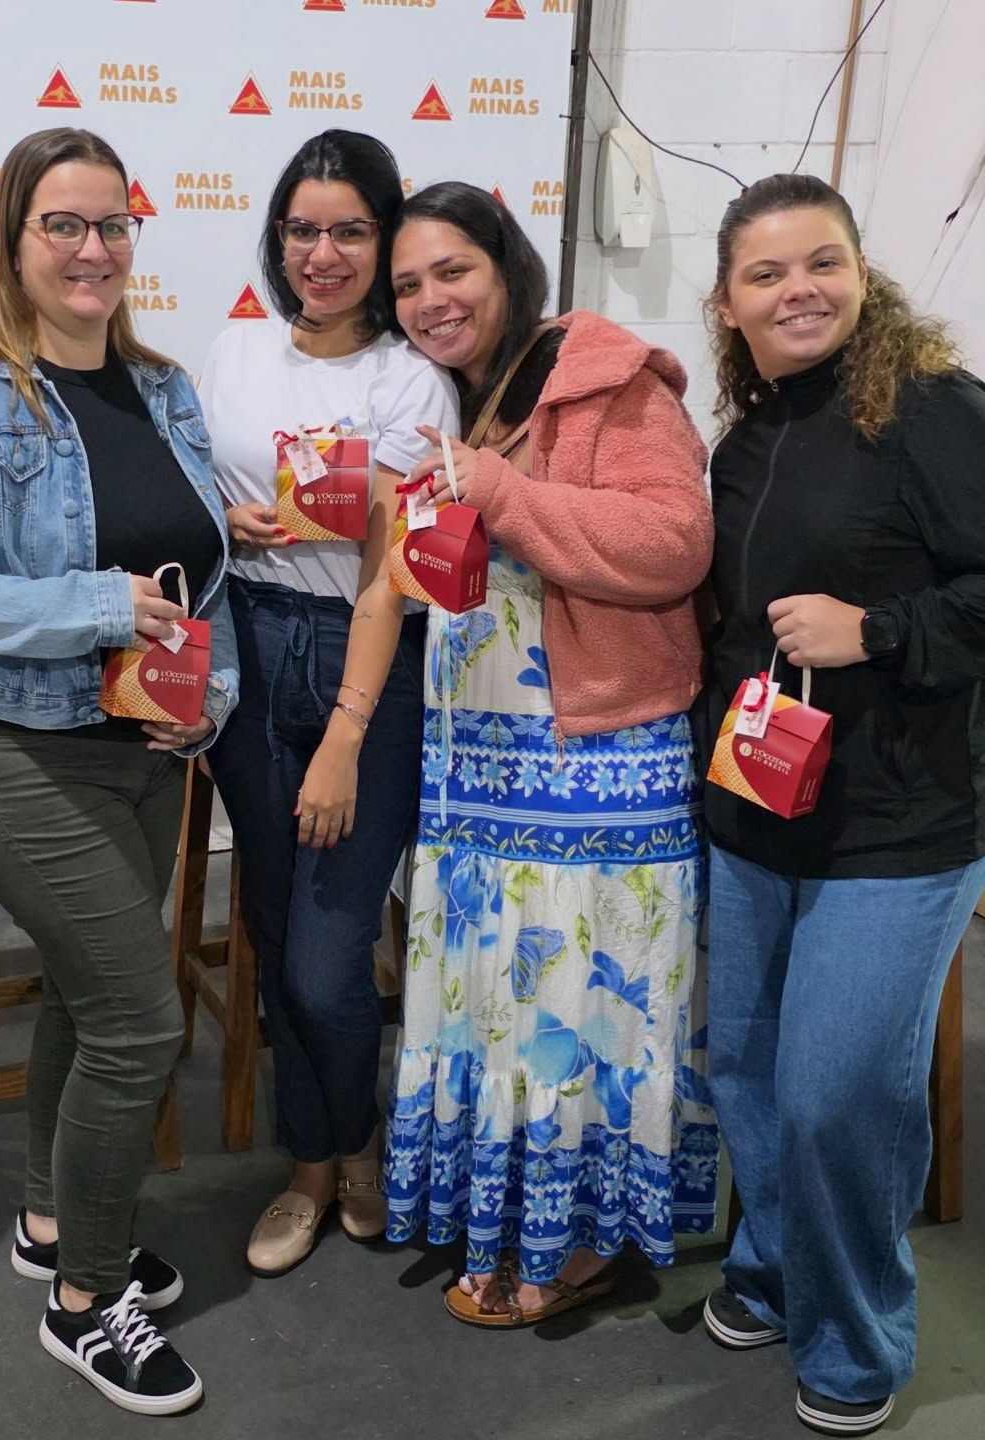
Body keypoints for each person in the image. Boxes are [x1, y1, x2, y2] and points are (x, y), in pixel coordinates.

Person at [0, 127, 236, 1418]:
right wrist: (90, 605)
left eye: (112, 226)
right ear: (15, 243)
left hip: (146, 753)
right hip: (20, 753)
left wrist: (211, 702)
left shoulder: (169, 390)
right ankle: (85, 1299)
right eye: (63, 226)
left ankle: (46, 1219)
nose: (93, 250)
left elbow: (206, 573)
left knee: (95, 1009)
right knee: (144, 1022)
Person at [381, 182, 719, 1328]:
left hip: (598, 764)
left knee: (579, 1003)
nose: (431, 300)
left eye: (452, 271)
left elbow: (674, 543)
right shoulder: (471, 404)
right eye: (409, 285)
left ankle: (578, 1239)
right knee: (499, 1006)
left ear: (506, 265)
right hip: (479, 768)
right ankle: (507, 1219)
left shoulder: (601, 374)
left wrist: (504, 493)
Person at [698, 173, 985, 1438]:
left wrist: (880, 629)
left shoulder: (932, 411)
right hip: (757, 814)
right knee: (748, 1071)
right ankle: (771, 1269)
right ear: (727, 303)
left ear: (864, 275)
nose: (796, 290)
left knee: (836, 1094)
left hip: (897, 830)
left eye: (821, 263)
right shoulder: (746, 437)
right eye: (766, 274)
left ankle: (857, 1336)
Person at [199, 130, 458, 1277]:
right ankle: (317, 1165)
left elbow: (390, 563)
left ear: (386, 237)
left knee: (325, 954)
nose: (323, 252)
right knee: (268, 926)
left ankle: (357, 1134)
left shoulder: (412, 378)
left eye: (350, 229)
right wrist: (225, 517)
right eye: (304, 228)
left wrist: (348, 732)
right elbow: (195, 482)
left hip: (369, 661)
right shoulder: (233, 353)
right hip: (249, 643)